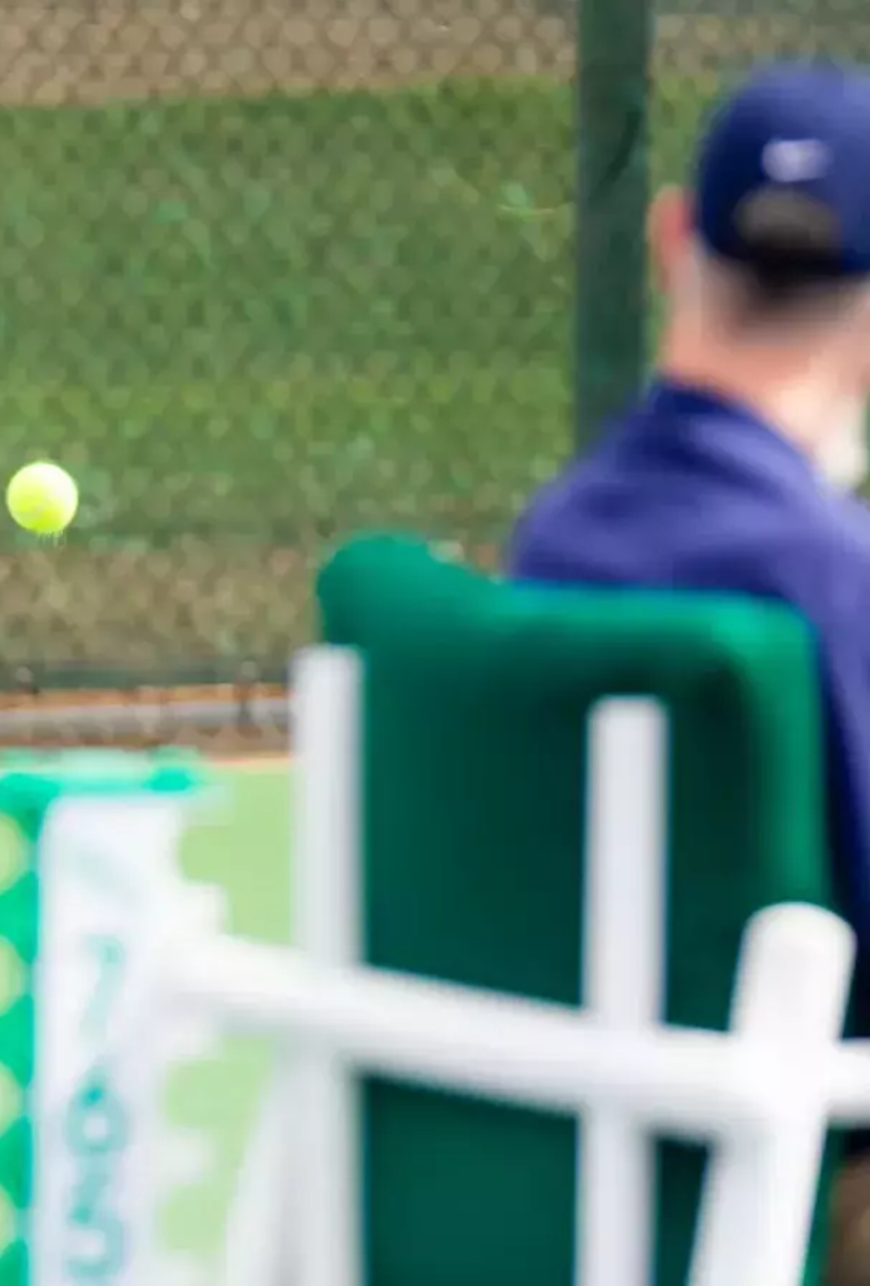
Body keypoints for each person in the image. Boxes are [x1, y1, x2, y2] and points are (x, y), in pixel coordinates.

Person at [501, 61, 870, 1283]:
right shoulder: (831, 581)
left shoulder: (552, 541)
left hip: (542, 1162)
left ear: (671, 241)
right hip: (781, 1189)